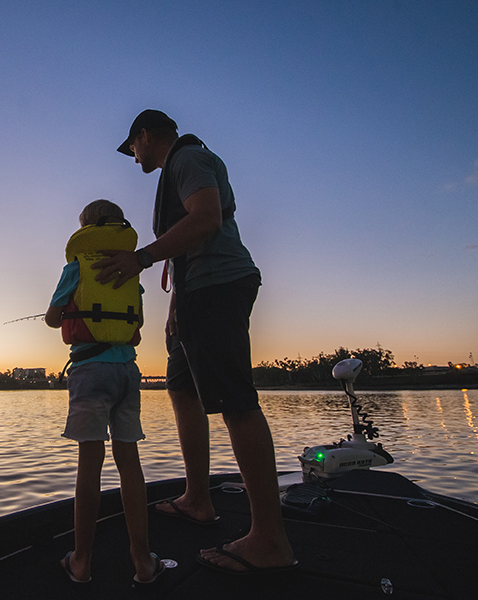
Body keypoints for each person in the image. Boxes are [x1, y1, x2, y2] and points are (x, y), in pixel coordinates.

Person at [93, 110, 296, 574]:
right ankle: (197, 498)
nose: (134, 157)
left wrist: (139, 258)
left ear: (144, 136)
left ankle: (270, 541)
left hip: (218, 287)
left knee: (237, 403)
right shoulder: (177, 171)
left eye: (133, 148)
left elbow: (205, 218)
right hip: (194, 296)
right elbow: (183, 246)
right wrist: (175, 310)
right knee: (181, 389)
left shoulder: (188, 160)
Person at [46, 199, 164, 585]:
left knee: (89, 467)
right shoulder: (131, 272)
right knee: (130, 463)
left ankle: (82, 562)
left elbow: (52, 318)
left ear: (87, 229)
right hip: (127, 372)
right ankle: (143, 561)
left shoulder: (76, 266)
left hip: (89, 371)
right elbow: (140, 321)